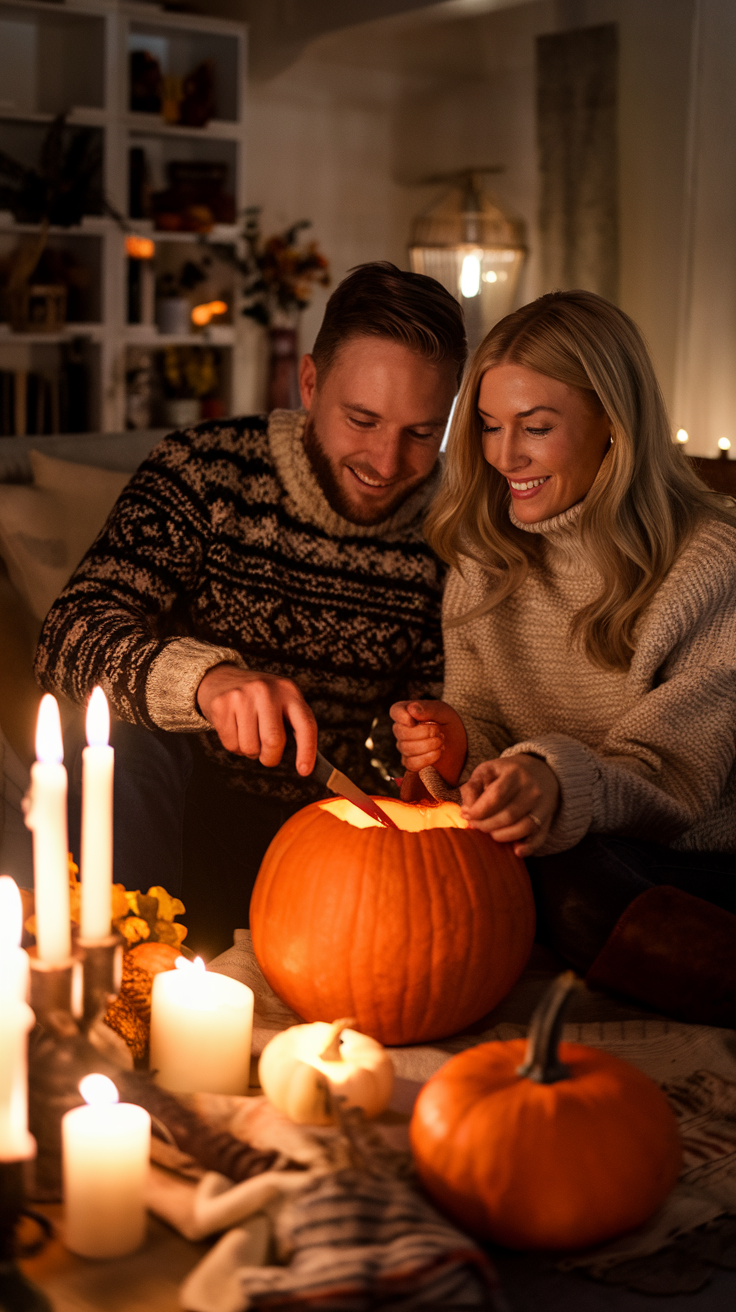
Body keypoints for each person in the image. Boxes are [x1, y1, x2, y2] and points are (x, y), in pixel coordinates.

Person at [36, 262, 466, 955]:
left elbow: (414, 750)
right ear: (310, 383)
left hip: (328, 840)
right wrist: (205, 683)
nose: (387, 462)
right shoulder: (205, 472)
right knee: (121, 736)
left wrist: (431, 741)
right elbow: (69, 634)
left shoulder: (456, 529)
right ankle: (125, 977)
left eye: (421, 433)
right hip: (178, 809)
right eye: (362, 420)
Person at [391, 289, 736, 1027]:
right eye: (487, 426)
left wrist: (549, 781)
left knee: (566, 877)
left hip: (690, 866)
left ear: (613, 425)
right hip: (563, 845)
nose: (503, 456)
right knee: (506, 866)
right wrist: (459, 745)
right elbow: (484, 717)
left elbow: (672, 778)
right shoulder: (484, 556)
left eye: (535, 427)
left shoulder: (708, 564)